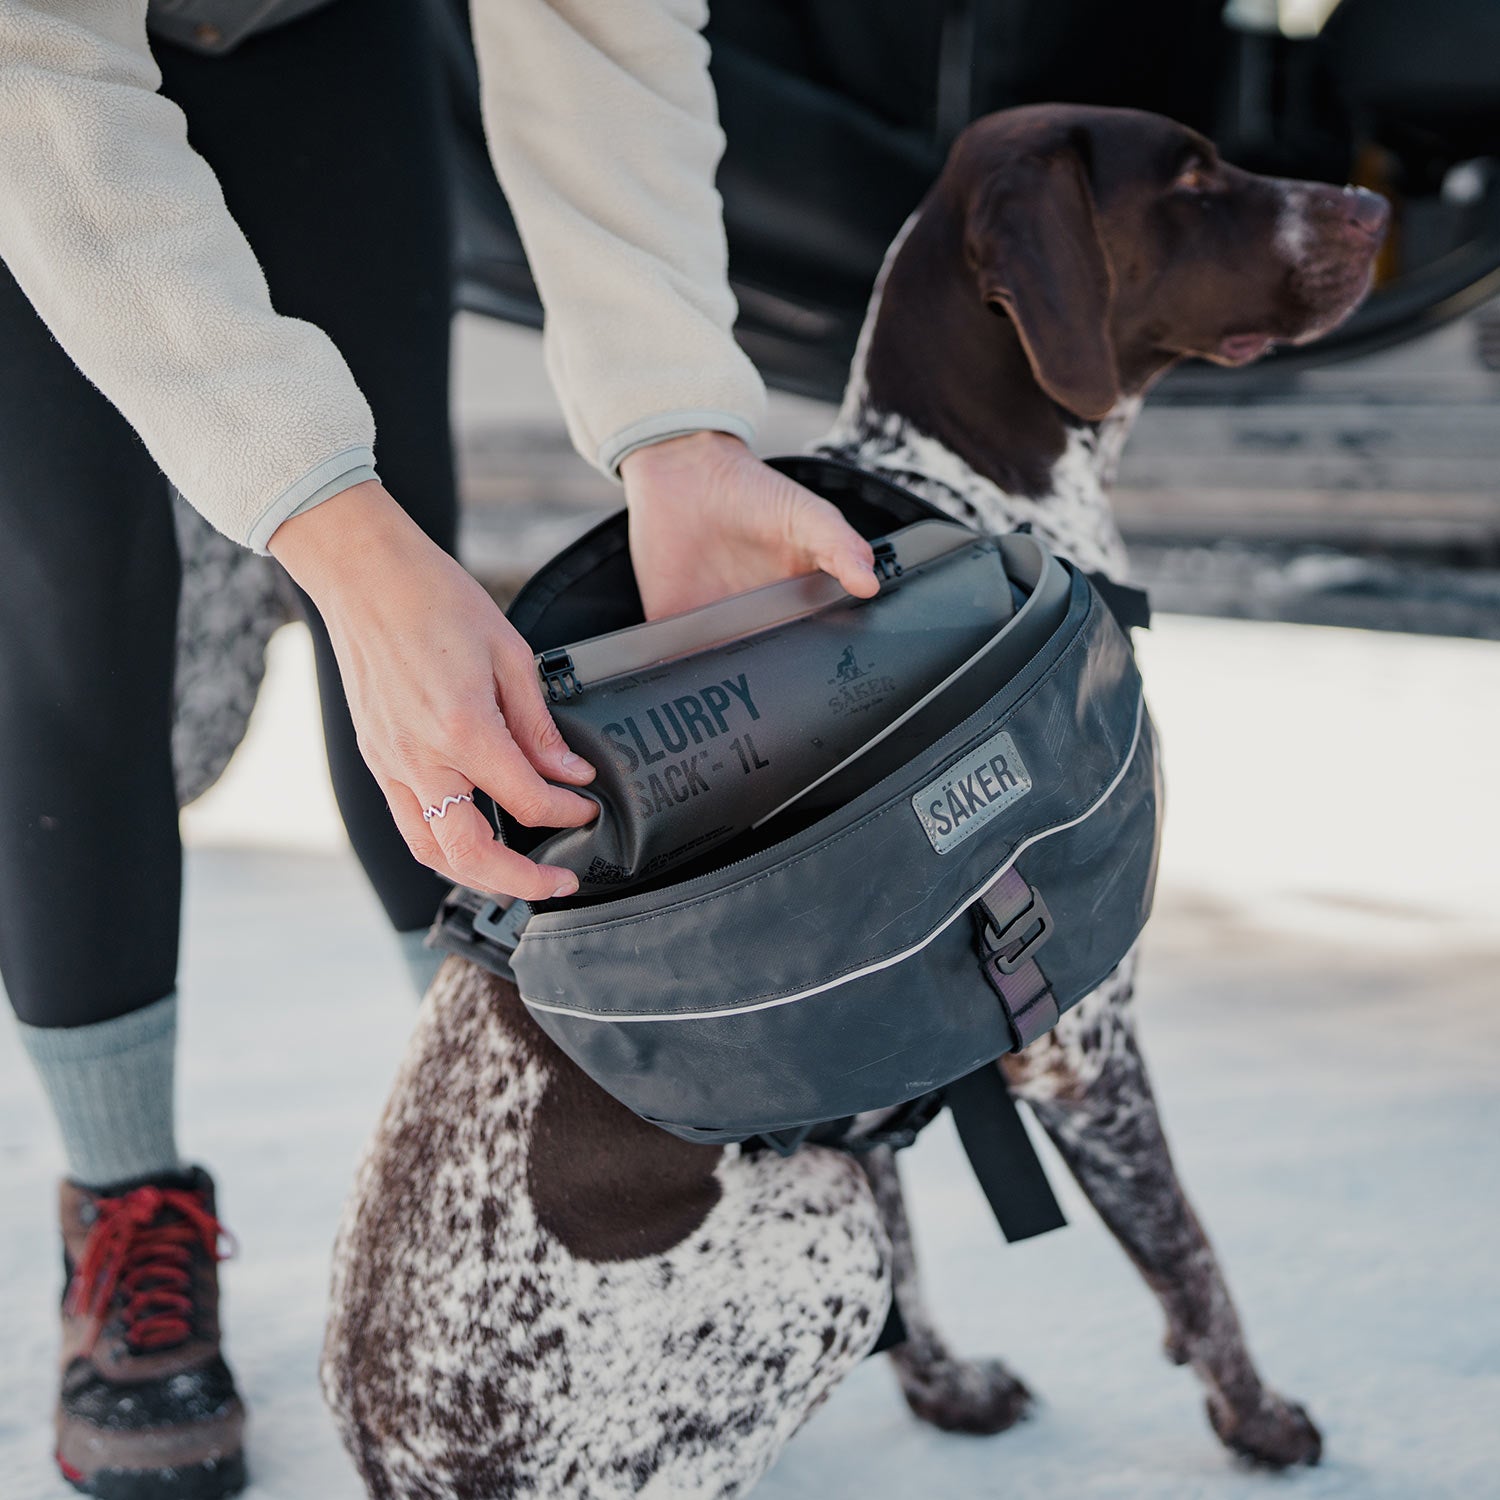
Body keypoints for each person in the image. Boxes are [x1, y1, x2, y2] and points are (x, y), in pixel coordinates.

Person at [0, 0, 878, 1494]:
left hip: (320, 34)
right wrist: (326, 529)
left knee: (430, 584)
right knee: (69, 599)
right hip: (33, 74)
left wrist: (680, 432)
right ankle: (127, 1200)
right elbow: (38, 75)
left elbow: (599, 24)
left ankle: (524, 1123)